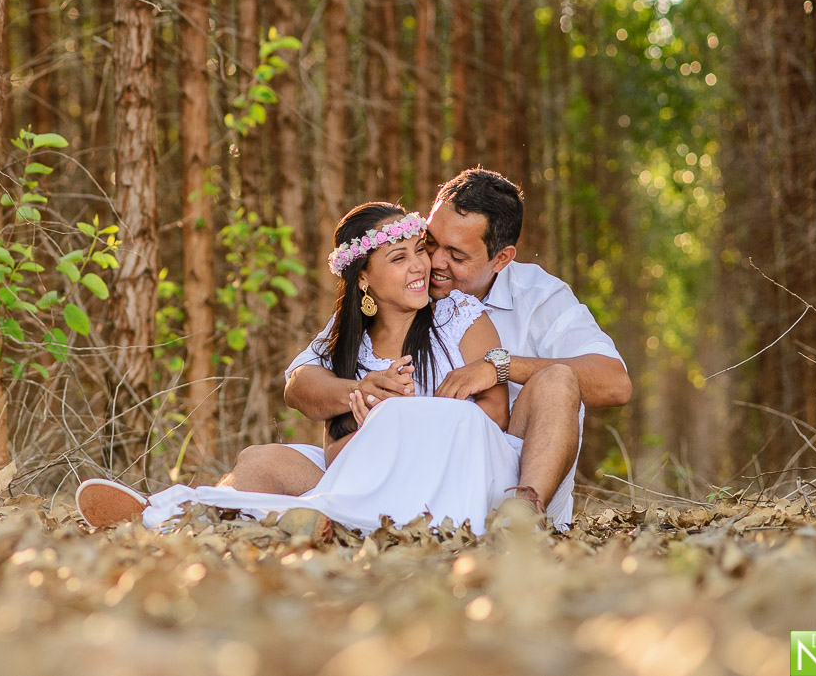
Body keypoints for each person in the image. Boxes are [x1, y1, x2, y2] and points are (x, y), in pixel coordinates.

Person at [77, 202, 523, 533]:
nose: (421, 266)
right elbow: (309, 402)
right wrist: (363, 398)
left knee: (379, 443)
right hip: (364, 476)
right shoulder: (350, 341)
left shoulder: (459, 315)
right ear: (363, 279)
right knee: (259, 460)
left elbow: (492, 420)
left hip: (452, 476)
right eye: (399, 258)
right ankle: (190, 518)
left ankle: (182, 514)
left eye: (417, 251)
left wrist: (398, 421)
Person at [226, 168, 632, 528]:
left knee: (557, 379)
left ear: (501, 258)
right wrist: (362, 393)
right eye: (429, 242)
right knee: (260, 461)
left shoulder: (527, 300)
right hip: (380, 469)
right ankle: (235, 530)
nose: (431, 263)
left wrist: (499, 367)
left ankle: (522, 516)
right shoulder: (387, 302)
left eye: (455, 255)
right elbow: (301, 383)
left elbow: (614, 384)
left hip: (488, 474)